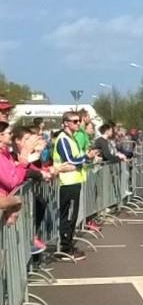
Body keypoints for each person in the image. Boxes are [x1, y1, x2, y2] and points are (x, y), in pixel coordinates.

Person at [53, 111, 98, 260]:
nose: (78, 123)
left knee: (72, 216)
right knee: (68, 216)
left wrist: (86, 158)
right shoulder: (63, 139)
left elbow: (77, 159)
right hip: (67, 182)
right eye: (75, 121)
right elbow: (70, 159)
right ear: (66, 123)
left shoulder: (72, 138)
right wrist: (86, 157)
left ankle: (69, 244)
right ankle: (66, 248)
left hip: (75, 180)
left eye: (79, 121)